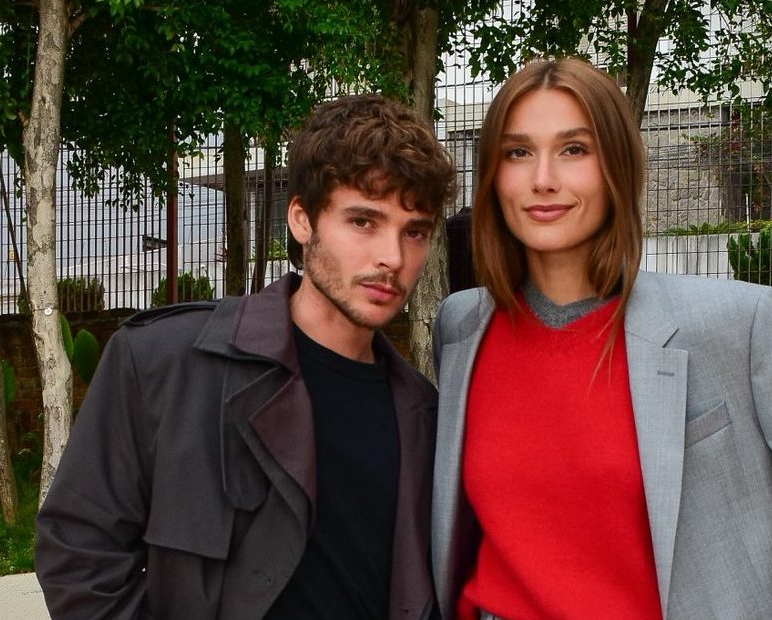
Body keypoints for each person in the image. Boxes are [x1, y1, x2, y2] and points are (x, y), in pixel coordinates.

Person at [430, 57, 772, 620]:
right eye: (518, 152)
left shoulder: (742, 325)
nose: (543, 178)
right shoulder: (460, 329)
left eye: (575, 149)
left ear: (617, 165)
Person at [35, 94, 456, 620]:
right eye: (363, 222)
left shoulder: (427, 418)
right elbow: (79, 555)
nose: (392, 258)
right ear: (302, 220)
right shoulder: (162, 363)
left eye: (413, 232)